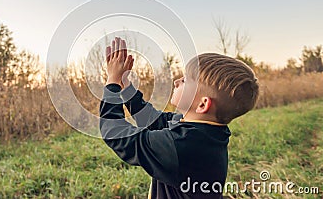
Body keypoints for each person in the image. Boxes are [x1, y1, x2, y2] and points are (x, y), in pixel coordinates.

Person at [99, 37, 259, 199]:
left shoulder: (182, 145)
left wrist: (112, 83)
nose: (177, 82)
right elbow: (152, 120)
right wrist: (125, 86)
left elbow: (118, 135)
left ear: (203, 105)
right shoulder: (202, 131)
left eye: (185, 80)